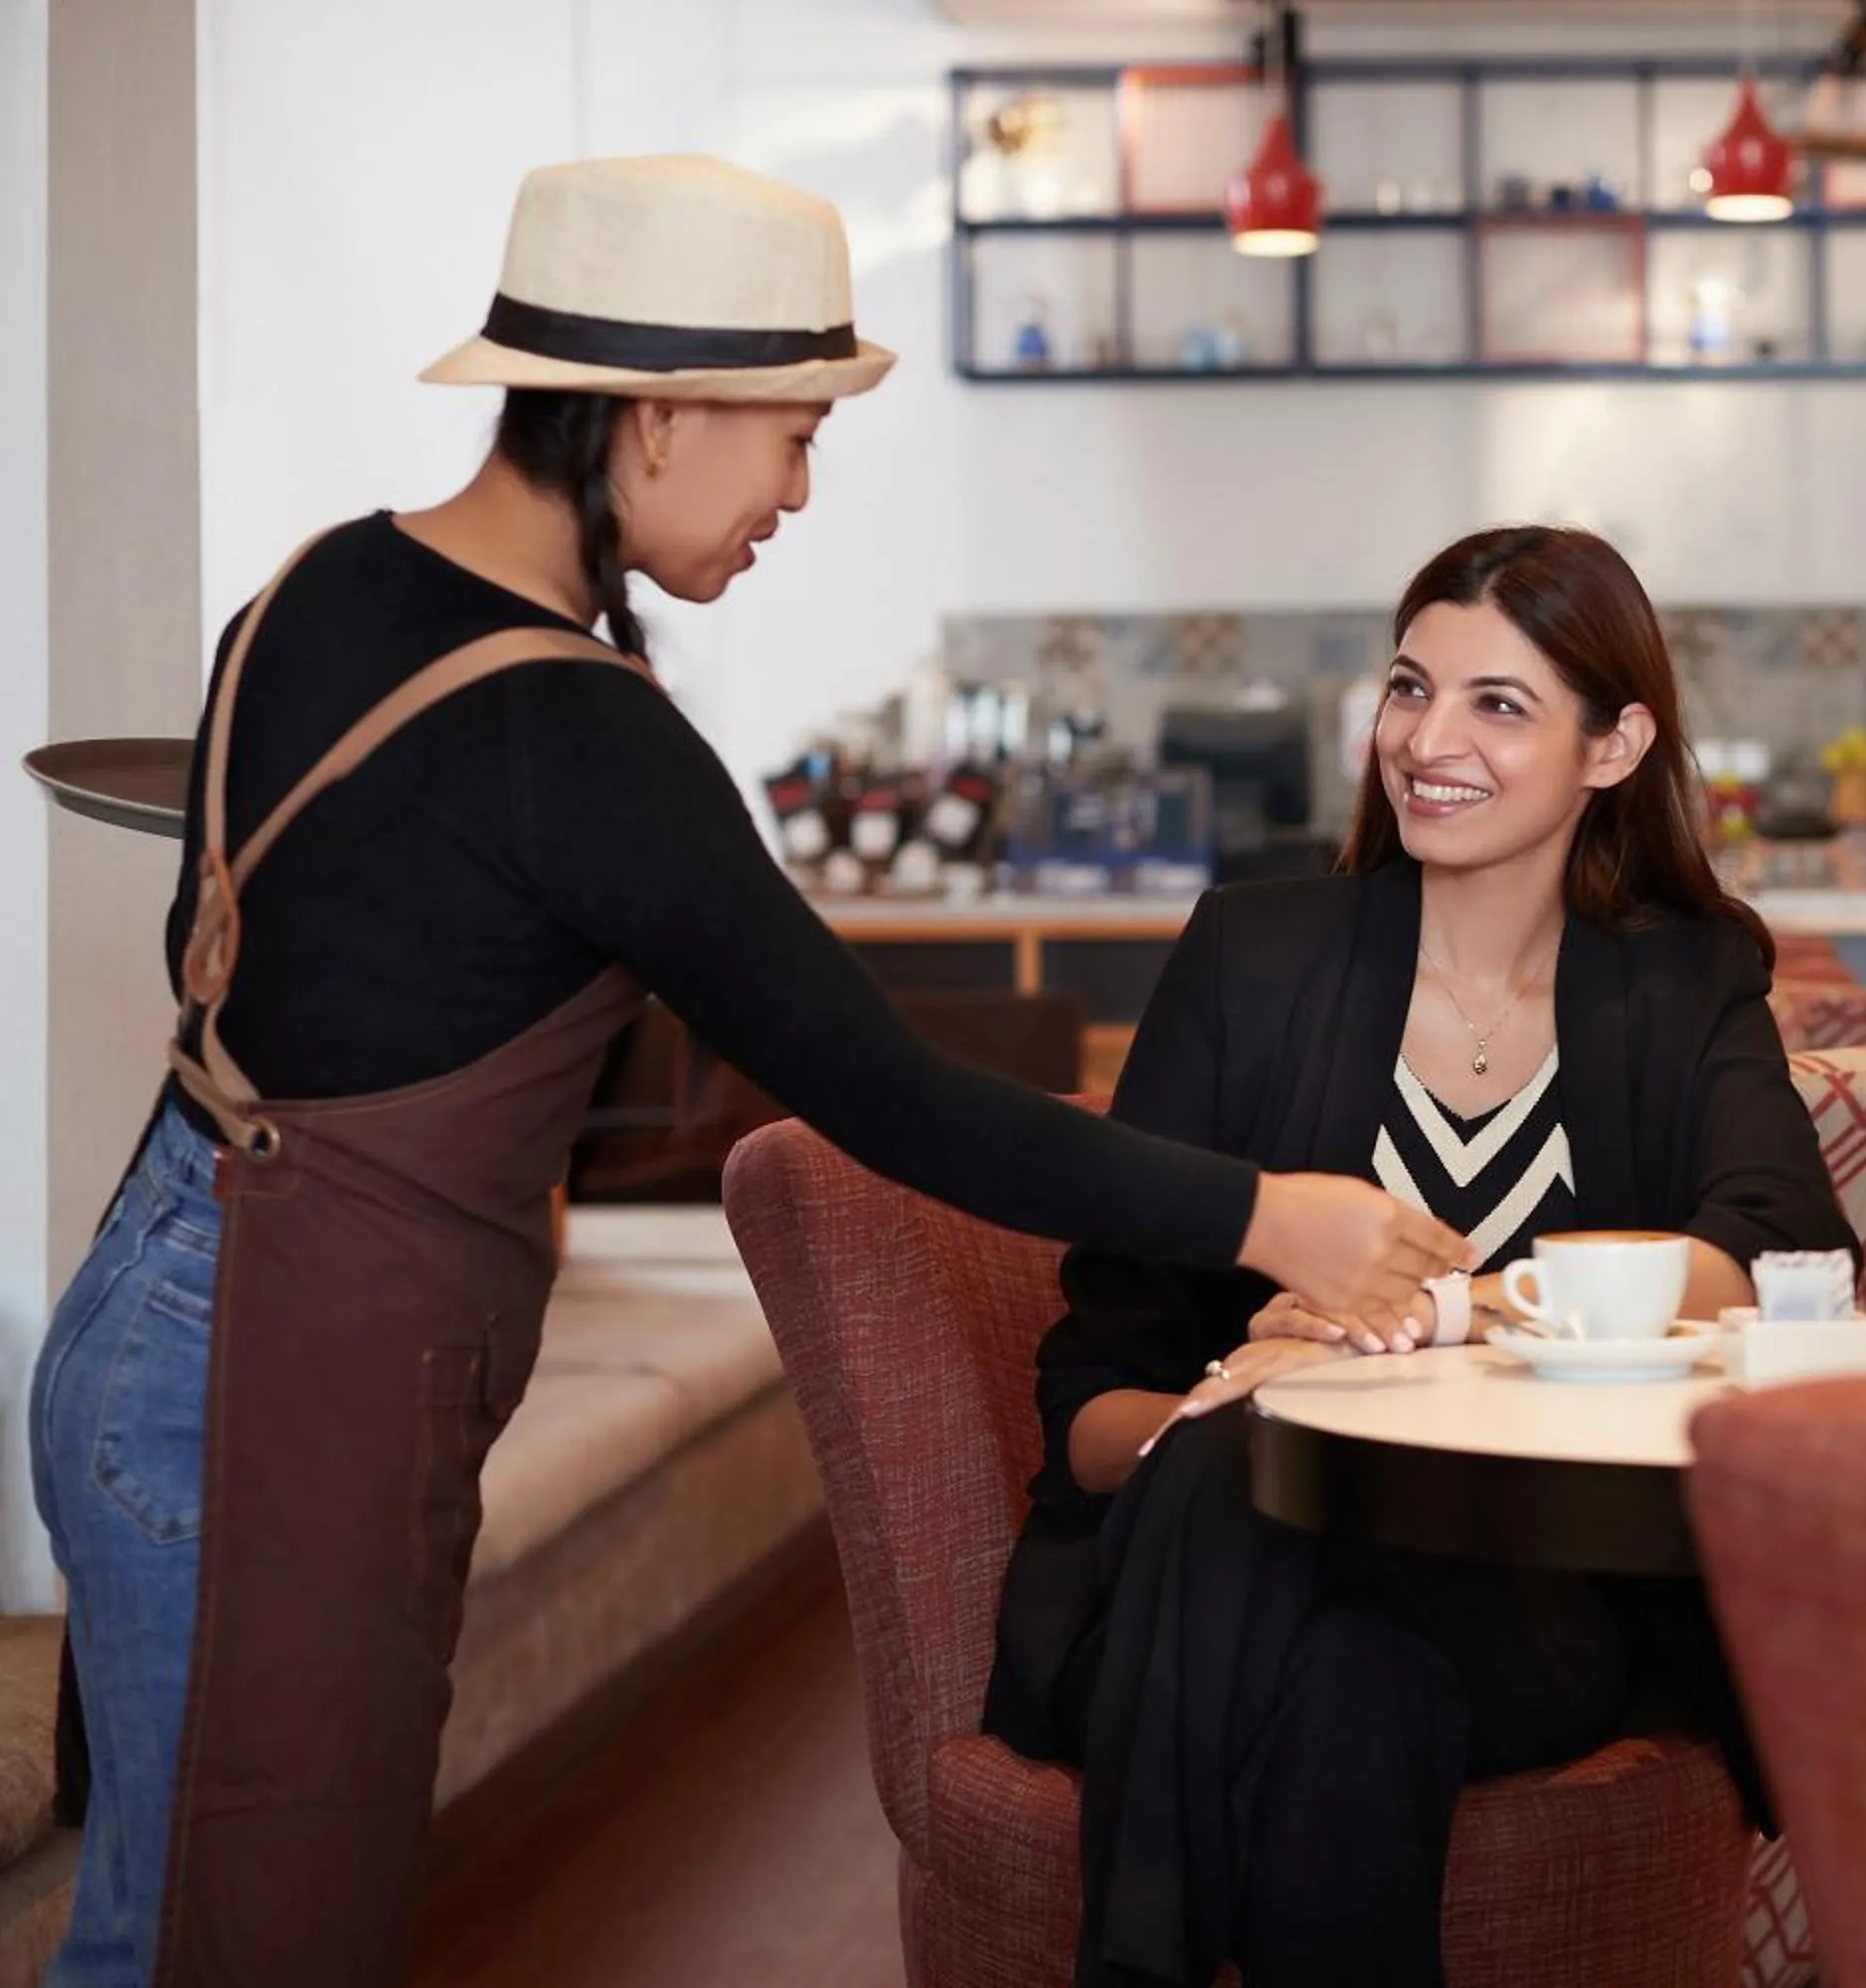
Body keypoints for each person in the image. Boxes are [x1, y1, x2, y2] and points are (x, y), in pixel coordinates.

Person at [25, 156, 1462, 1988]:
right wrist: (1273, 1215)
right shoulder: (580, 735)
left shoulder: (307, 596)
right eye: (787, 431)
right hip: (273, 1387)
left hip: (152, 1320)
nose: (797, 487)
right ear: (657, 413)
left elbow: (245, 972)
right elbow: (895, 1102)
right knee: (239, 1943)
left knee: (169, 1923)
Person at [983, 525, 1855, 1986]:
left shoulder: (1682, 975)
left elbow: (1775, 1250)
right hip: (1218, 1563)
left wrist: (1430, 1313)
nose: (1425, 741)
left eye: (1497, 705)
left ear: (1614, 743)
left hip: (1541, 1593)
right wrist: (1216, 1421)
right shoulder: (1250, 957)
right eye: (1407, 687)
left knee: (1263, 1455)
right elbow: (1092, 1402)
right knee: (1326, 1647)